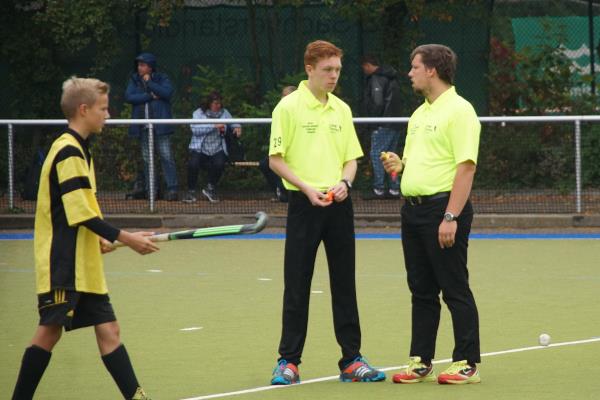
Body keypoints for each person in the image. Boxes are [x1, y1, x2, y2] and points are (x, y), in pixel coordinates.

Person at [11, 77, 159, 400]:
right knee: (49, 333)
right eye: (103, 109)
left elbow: (80, 210)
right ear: (83, 109)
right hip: (63, 265)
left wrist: (100, 240)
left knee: (110, 331)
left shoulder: (80, 149)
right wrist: (128, 238)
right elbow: (80, 214)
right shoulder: (68, 151)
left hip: (83, 267)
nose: (108, 114)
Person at [268, 40, 386, 385]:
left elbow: (351, 160)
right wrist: (307, 188)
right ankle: (288, 362)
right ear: (310, 69)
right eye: (327, 70)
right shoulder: (288, 107)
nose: (334, 76)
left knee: (344, 283)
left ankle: (351, 360)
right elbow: (276, 160)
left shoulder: (341, 110)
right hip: (303, 206)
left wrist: (345, 183)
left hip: (339, 207)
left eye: (337, 70)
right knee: (297, 284)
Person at [382, 44, 482, 385]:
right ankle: (420, 361)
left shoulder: (460, 110)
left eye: (414, 67)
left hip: (443, 211)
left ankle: (467, 362)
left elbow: (466, 167)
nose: (409, 73)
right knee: (421, 290)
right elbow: (420, 160)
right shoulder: (419, 114)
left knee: (454, 287)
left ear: (431, 71)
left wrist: (450, 217)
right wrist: (400, 165)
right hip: (412, 213)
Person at [125, 52, 179, 201]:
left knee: (166, 156)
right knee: (147, 158)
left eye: (142, 65)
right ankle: (151, 190)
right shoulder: (134, 80)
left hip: (161, 126)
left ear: (150, 67)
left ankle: (172, 189)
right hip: (143, 126)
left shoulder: (162, 78)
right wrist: (149, 96)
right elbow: (129, 97)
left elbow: (167, 93)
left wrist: (150, 83)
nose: (139, 67)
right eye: (138, 65)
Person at [183, 92, 241, 203]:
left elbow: (233, 123)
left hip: (217, 148)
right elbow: (196, 130)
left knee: (220, 164)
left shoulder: (224, 113)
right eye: (215, 103)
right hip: (200, 148)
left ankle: (210, 189)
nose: (218, 106)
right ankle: (191, 192)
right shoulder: (198, 113)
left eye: (220, 103)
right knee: (193, 165)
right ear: (209, 103)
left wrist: (237, 127)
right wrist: (213, 126)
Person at [361, 54, 403, 199]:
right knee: (391, 156)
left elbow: (377, 103)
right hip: (395, 123)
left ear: (368, 65)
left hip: (383, 124)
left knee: (377, 154)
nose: (364, 70)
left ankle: (378, 189)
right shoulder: (390, 77)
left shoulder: (377, 78)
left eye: (364, 67)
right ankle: (394, 189)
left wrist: (374, 122)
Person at [258, 85, 296, 203]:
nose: (283, 98)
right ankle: (279, 190)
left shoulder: (299, 113)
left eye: (286, 95)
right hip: (281, 151)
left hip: (294, 154)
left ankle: (286, 191)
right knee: (265, 164)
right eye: (283, 95)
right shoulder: (279, 111)